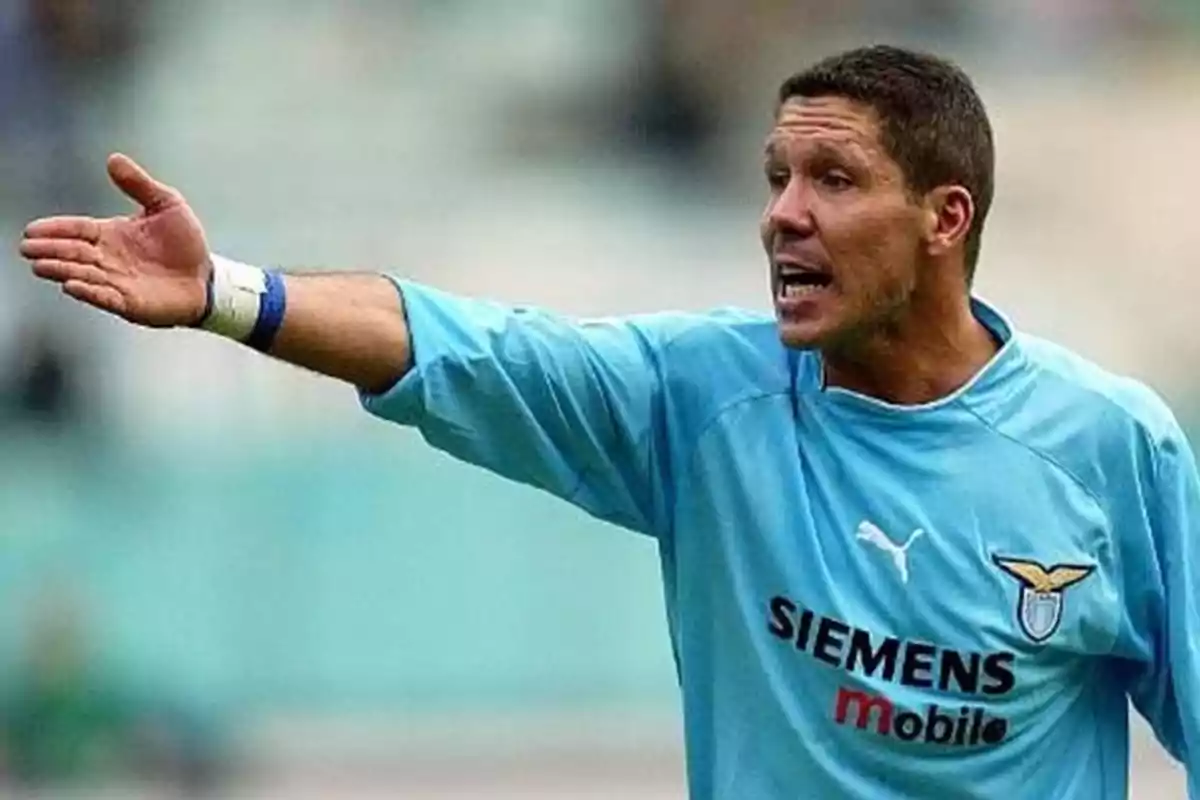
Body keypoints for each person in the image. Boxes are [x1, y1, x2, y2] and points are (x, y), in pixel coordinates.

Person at [16, 44, 1198, 799]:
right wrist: (232, 293)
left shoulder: (1107, 443)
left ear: (946, 217)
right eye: (775, 175)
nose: (783, 214)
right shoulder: (703, 399)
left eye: (832, 181)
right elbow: (465, 343)